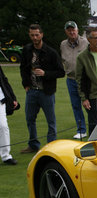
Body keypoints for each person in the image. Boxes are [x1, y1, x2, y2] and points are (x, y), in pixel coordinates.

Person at [20, 24, 65, 154]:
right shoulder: (27, 50)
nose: (35, 37)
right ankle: (33, 144)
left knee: (51, 121)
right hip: (32, 91)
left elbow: (61, 72)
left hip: (47, 92)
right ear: (29, 35)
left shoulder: (51, 52)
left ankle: (51, 146)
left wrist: (46, 73)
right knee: (30, 119)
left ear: (42, 35)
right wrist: (26, 84)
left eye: (37, 35)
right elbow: (23, 68)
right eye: (32, 35)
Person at [60, 20, 88, 139]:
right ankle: (81, 130)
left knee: (89, 104)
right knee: (76, 105)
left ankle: (95, 127)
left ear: (77, 30)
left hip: (85, 79)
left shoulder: (85, 42)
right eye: (69, 30)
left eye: (73, 29)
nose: (72, 32)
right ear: (66, 31)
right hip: (71, 79)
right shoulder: (63, 44)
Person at [0, 65, 19, 165]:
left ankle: (6, 156)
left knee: (3, 127)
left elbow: (4, 80)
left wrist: (12, 97)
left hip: (1, 100)